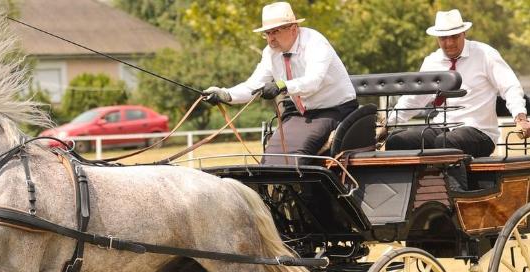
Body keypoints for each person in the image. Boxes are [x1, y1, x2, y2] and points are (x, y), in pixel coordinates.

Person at [202, 1, 357, 164]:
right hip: (301, 112)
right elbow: (253, 86)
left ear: (293, 28)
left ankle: (303, 188)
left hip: (335, 109)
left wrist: (281, 86)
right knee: (270, 158)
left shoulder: (315, 43)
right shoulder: (270, 53)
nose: (270, 38)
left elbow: (313, 82)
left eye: (275, 31)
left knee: (295, 157)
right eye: (267, 33)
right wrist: (225, 94)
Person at [384, 9, 530, 157]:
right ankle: (417, 180)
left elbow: (510, 86)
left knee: (445, 143)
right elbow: (414, 98)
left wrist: (520, 118)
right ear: (437, 38)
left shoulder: (485, 54)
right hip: (442, 127)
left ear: (464, 34)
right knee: (396, 141)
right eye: (443, 38)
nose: (449, 43)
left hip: (479, 132)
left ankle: (453, 181)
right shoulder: (431, 62)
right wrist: (387, 124)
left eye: (454, 37)